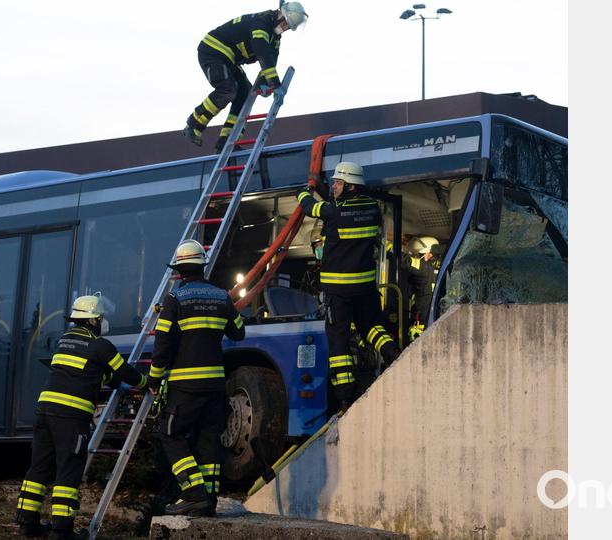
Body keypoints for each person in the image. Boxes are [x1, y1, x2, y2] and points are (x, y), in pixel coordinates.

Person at [15, 295, 149, 540]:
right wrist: (145, 383)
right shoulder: (101, 346)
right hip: (71, 416)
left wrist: (114, 383)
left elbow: (91, 373)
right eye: (101, 318)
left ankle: (27, 523)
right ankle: (62, 530)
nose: (103, 322)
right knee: (69, 468)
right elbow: (125, 371)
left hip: (44, 411)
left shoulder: (63, 342)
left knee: (40, 467)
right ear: (93, 320)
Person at [148, 240, 246, 516]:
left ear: (179, 271)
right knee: (208, 440)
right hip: (215, 385)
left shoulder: (174, 300)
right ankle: (208, 500)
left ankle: (193, 493)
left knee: (171, 434)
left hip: (184, 387)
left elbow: (162, 346)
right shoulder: (221, 297)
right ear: (203, 266)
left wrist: (154, 381)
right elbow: (239, 333)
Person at [295, 162, 401, 411]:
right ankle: (392, 353)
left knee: (339, 342)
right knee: (370, 327)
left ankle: (345, 397)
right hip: (364, 287)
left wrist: (303, 190)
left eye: (338, 183)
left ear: (351, 186)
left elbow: (309, 207)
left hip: (338, 291)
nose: (333, 186)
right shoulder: (373, 208)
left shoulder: (335, 211)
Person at [182, 2, 308, 152]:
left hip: (229, 59)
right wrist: (275, 84)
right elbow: (262, 53)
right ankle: (193, 125)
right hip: (213, 51)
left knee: (244, 93)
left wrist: (265, 82)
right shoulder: (261, 23)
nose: (285, 28)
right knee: (227, 90)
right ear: (280, 14)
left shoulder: (274, 39)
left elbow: (271, 61)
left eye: (289, 27)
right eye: (285, 23)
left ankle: (228, 141)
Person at [403, 236, 439, 341]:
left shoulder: (424, 267)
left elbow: (405, 261)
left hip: (421, 324)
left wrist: (389, 248)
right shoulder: (438, 267)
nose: (416, 257)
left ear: (427, 253)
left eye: (418, 254)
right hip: (433, 319)